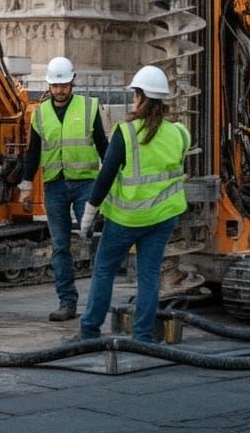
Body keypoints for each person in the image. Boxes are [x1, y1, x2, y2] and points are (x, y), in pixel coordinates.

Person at [78, 65, 190, 343]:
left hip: (126, 219)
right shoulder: (178, 133)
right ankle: (142, 337)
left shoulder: (125, 133)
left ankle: (90, 331)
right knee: (149, 275)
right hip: (163, 218)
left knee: (104, 270)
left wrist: (89, 214)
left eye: (135, 94)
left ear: (140, 97)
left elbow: (105, 176)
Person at [19, 56, 107, 321]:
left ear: (72, 83)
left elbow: (104, 146)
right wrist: (25, 186)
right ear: (49, 85)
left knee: (90, 238)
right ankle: (67, 303)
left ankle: (97, 302)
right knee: (60, 246)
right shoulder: (41, 114)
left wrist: (110, 184)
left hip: (85, 184)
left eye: (64, 85)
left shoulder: (89, 107)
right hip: (54, 185)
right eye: (56, 86)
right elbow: (32, 153)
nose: (59, 91)